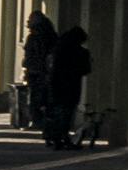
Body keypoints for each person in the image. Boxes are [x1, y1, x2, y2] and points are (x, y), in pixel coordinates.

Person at [40, 24, 95, 153]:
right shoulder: (82, 53)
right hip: (72, 86)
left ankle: (56, 137)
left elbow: (51, 69)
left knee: (57, 112)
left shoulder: (58, 51)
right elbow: (86, 70)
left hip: (57, 85)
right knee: (67, 113)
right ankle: (63, 137)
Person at [19, 12, 59, 140]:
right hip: (43, 71)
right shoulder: (51, 36)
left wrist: (26, 68)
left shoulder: (35, 37)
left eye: (30, 20)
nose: (27, 22)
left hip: (37, 71)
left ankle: (38, 121)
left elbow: (30, 54)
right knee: (44, 98)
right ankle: (44, 122)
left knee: (37, 98)